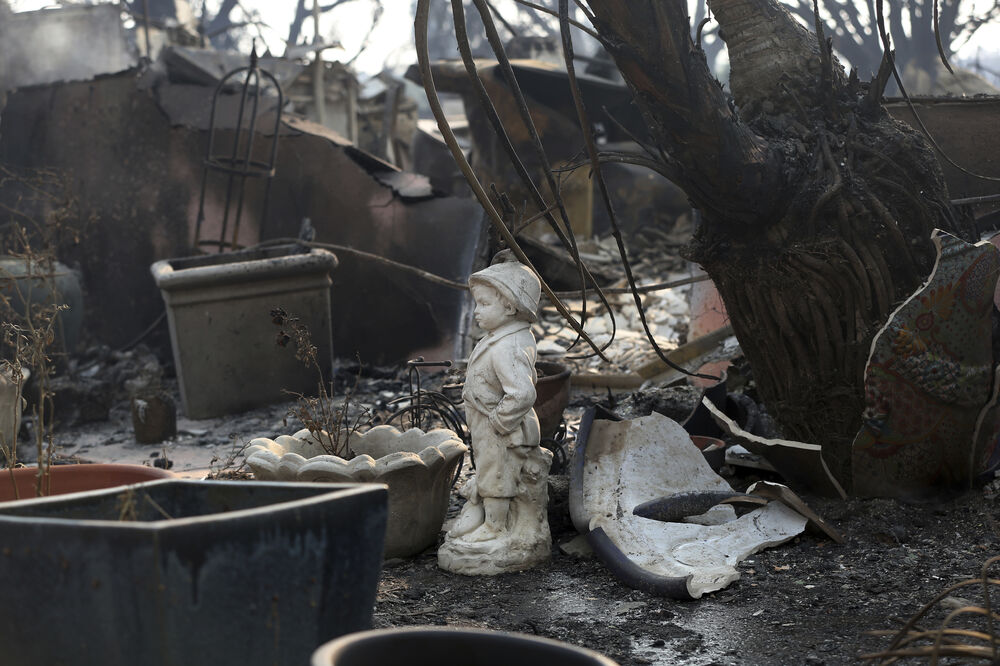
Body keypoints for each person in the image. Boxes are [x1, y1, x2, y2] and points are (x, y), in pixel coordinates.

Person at [455, 253, 542, 544]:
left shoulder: (509, 345)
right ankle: (479, 511)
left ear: (510, 306)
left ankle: (495, 527)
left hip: (503, 428)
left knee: (498, 476)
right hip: (488, 423)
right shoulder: (500, 336)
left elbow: (522, 393)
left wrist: (498, 422)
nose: (476, 312)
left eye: (484, 304)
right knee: (488, 469)